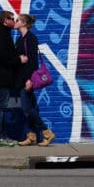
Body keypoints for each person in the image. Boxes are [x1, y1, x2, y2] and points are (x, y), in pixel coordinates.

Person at [14, 14, 55, 147]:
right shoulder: (21, 39)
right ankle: (31, 136)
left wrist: (29, 80)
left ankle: (47, 132)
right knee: (29, 108)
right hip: (21, 78)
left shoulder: (30, 39)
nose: (15, 22)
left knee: (27, 108)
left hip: (26, 80)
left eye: (17, 20)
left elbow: (32, 63)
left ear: (24, 23)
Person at [0, 10, 25, 146]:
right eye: (11, 18)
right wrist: (18, 59)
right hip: (1, 78)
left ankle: (2, 135)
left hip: (3, 77)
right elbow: (3, 57)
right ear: (5, 21)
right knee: (0, 108)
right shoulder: (1, 36)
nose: (14, 21)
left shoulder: (4, 34)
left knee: (1, 107)